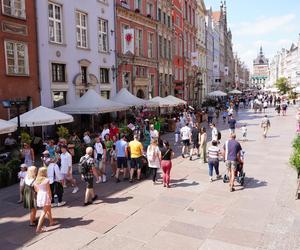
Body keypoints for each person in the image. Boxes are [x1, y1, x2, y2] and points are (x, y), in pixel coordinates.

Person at [34, 167, 57, 233]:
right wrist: (50, 197)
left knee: (48, 209)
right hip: (45, 195)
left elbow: (36, 190)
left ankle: (51, 222)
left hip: (40, 195)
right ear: (44, 172)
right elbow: (48, 190)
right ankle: (38, 228)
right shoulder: (46, 180)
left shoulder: (36, 180)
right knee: (44, 212)